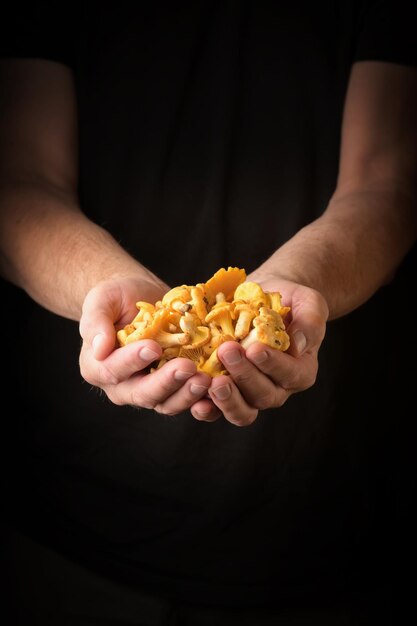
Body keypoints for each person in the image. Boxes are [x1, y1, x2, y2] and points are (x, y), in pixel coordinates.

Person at [0, 1, 416, 624]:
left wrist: (295, 285)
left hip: (331, 521)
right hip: (72, 516)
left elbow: (389, 182)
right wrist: (107, 286)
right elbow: (17, 177)